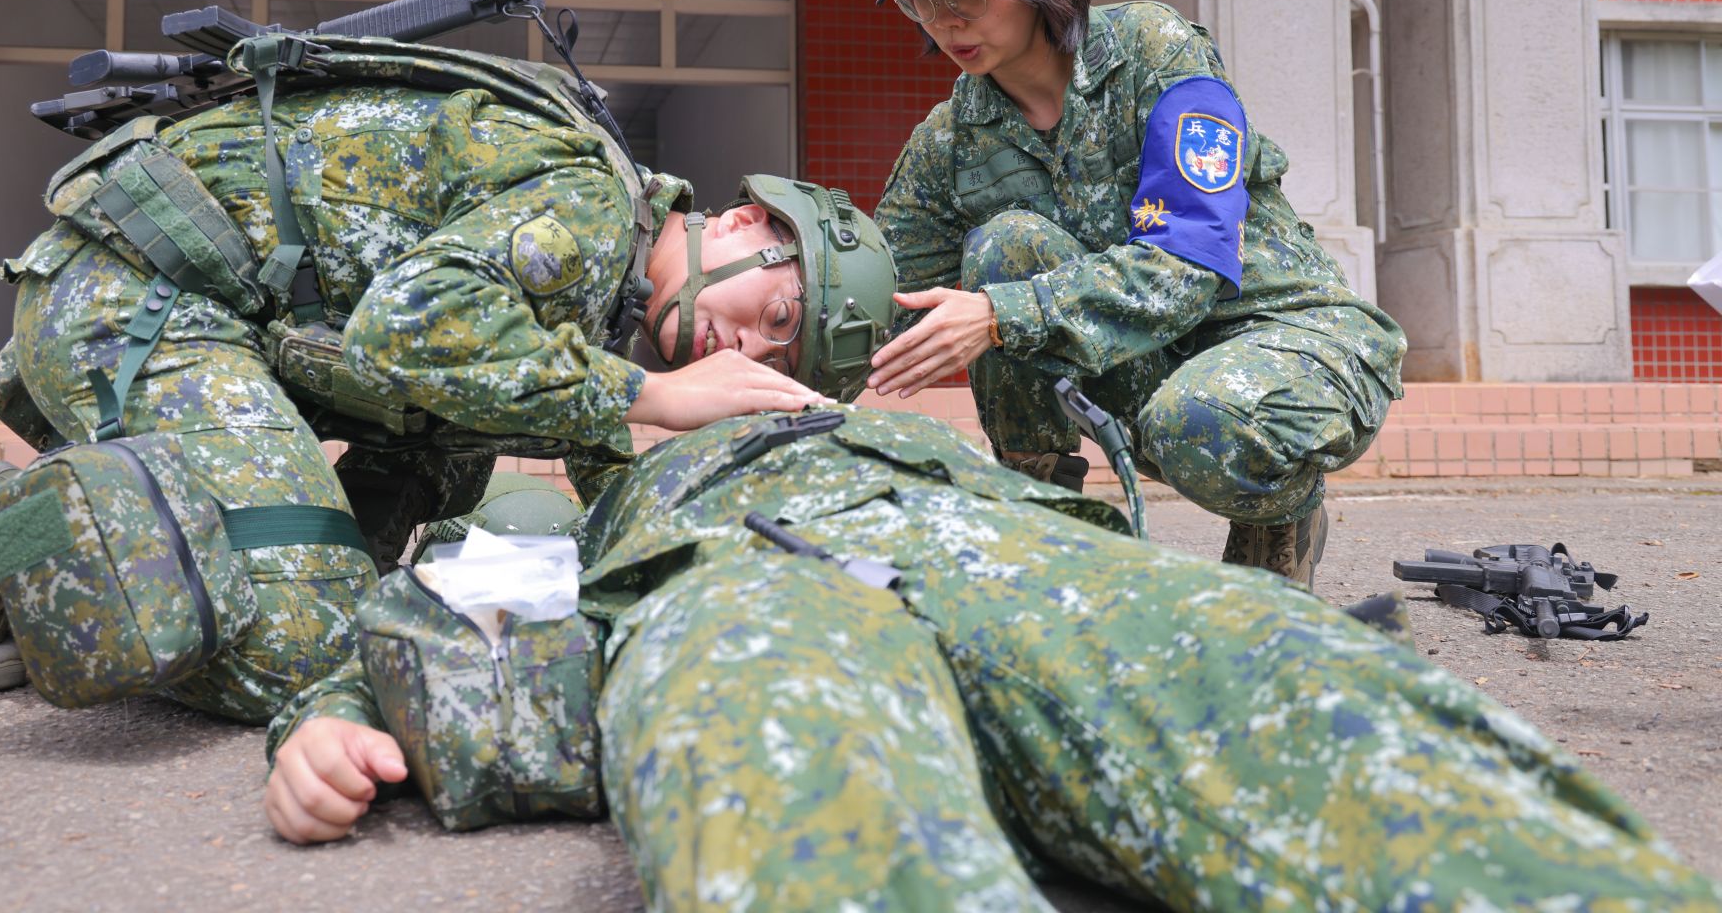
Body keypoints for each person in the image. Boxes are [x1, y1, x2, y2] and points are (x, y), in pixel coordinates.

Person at [260, 405, 1719, 912]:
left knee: (1268, 667)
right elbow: (448, 613)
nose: (767, 312)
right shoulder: (581, 491)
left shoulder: (920, 436)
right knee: (798, 774)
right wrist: (317, 731)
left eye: (793, 292)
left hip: (1004, 554)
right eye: (735, 283)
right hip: (738, 587)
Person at [0, 26, 894, 723]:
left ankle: (139, 559)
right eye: (773, 317)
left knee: (447, 467)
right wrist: (656, 396)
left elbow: (604, 484)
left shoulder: (608, 293)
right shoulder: (593, 204)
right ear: (744, 224)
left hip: (209, 319)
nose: (747, 352)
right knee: (303, 647)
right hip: (139, 298)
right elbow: (411, 332)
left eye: (777, 360)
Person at [867, 0, 1406, 587]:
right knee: (1005, 246)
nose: (948, 20)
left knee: (1200, 420)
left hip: (1278, 340)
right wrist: (746, 308)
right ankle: (1046, 541)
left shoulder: (1153, 50)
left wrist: (998, 315)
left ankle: (1277, 519)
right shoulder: (950, 139)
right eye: (924, 0)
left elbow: (1187, 265)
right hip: (1137, 364)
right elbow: (876, 294)